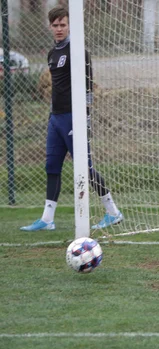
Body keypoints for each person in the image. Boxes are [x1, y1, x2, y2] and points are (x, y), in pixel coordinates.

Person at [20, 6, 123, 232]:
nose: (59, 29)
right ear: (50, 27)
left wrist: (85, 118)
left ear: (70, 25)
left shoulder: (78, 51)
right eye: (55, 25)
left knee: (84, 167)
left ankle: (113, 212)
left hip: (73, 118)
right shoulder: (52, 53)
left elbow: (88, 86)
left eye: (63, 25)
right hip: (55, 118)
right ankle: (47, 219)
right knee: (51, 166)